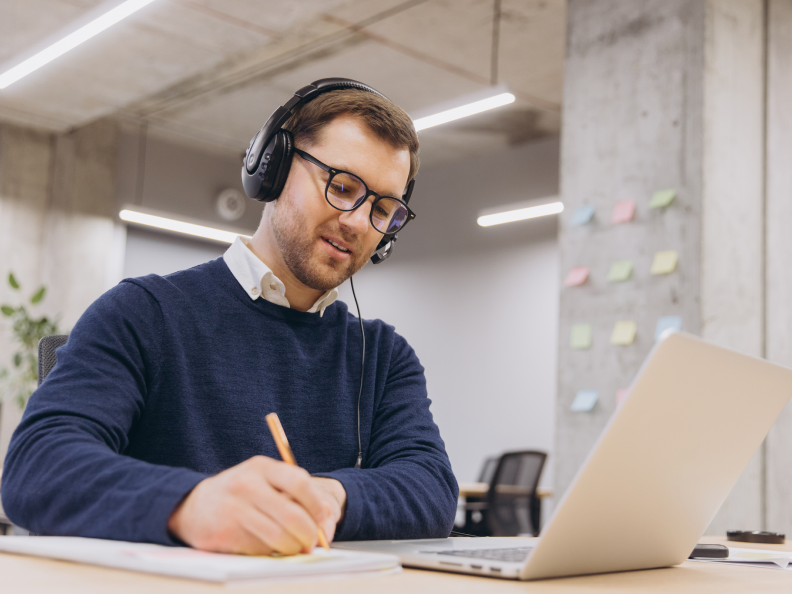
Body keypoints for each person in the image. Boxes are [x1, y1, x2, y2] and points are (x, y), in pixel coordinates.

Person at [1, 81, 458, 555]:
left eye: (384, 210)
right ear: (273, 169)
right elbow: (38, 465)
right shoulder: (144, 312)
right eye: (342, 187)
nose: (359, 224)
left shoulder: (383, 355)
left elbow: (430, 488)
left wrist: (330, 497)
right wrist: (191, 504)